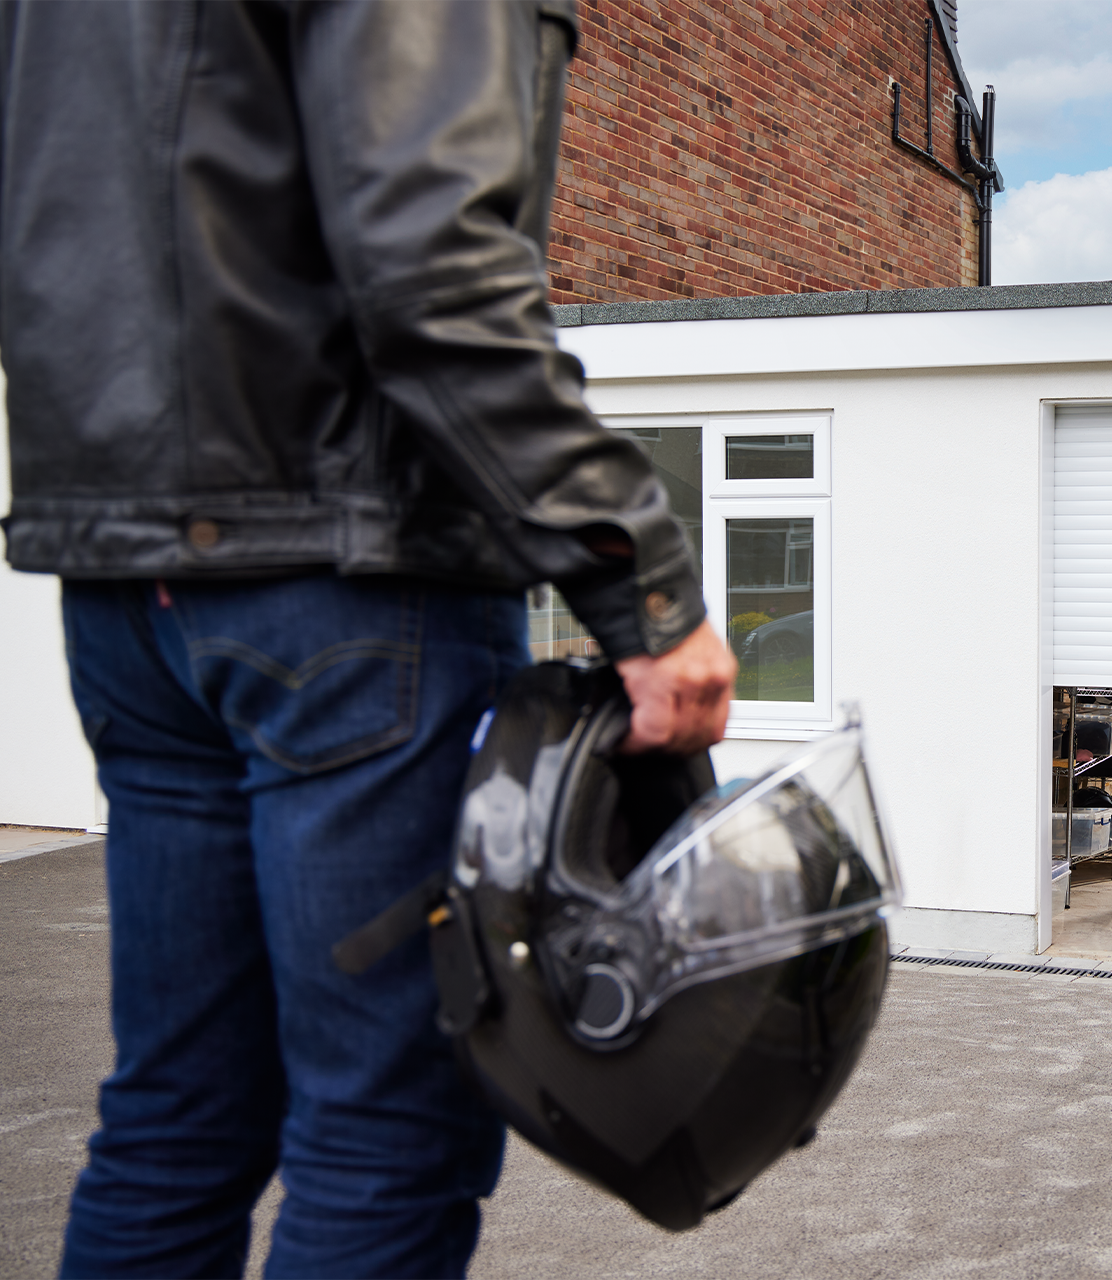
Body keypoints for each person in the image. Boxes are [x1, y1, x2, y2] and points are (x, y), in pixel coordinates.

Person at [0, 0, 735, 1274]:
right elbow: (430, 261)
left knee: (177, 1112)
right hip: (352, 586)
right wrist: (646, 588)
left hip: (132, 585)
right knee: (385, 1133)